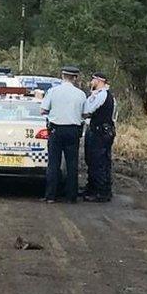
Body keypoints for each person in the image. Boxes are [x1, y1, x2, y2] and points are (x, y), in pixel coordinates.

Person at [40, 66, 87, 203]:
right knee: (72, 164)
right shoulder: (81, 94)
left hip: (56, 130)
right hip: (73, 131)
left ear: (62, 76)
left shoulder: (53, 92)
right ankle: (71, 197)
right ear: (75, 78)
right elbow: (85, 113)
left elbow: (43, 110)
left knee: (53, 163)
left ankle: (50, 196)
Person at [82, 72, 116, 202]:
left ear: (99, 81)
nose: (91, 82)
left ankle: (100, 192)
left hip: (99, 133)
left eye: (93, 80)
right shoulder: (104, 95)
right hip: (102, 131)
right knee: (96, 161)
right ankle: (94, 188)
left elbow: (87, 111)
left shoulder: (102, 95)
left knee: (98, 162)